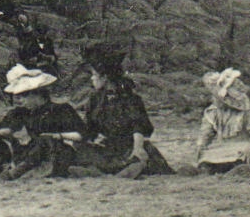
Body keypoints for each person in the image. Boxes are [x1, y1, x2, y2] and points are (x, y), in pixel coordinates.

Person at [0, 66, 87, 180]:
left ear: (38, 95)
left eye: (24, 96)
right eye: (17, 96)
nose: (19, 100)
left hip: (52, 154)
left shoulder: (60, 110)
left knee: (44, 139)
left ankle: (17, 172)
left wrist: (58, 135)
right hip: (28, 152)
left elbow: (82, 134)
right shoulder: (21, 112)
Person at [63, 43, 173, 179]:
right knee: (81, 148)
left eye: (94, 75)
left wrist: (138, 148)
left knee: (138, 158)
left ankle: (118, 170)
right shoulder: (95, 99)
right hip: (108, 146)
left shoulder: (129, 98)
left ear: (105, 77)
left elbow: (138, 127)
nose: (91, 79)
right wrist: (60, 136)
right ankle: (112, 171)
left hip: (130, 146)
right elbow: (87, 131)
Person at [178, 68, 250, 174]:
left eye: (217, 98)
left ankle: (239, 170)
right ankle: (204, 170)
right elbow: (206, 133)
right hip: (222, 147)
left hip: (243, 146)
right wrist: (200, 145)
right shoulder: (213, 113)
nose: (214, 100)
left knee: (241, 158)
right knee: (208, 159)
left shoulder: (248, 114)